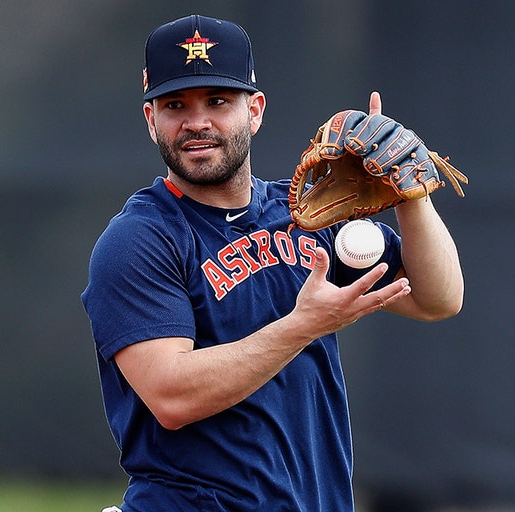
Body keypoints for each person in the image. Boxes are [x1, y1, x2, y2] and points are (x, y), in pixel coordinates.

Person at [81, 15, 464, 511]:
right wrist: (304, 325)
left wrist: (410, 193)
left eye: (218, 102)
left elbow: (438, 298)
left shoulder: (307, 212)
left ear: (255, 110)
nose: (197, 122)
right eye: (176, 105)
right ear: (152, 120)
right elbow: (172, 396)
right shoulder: (140, 239)